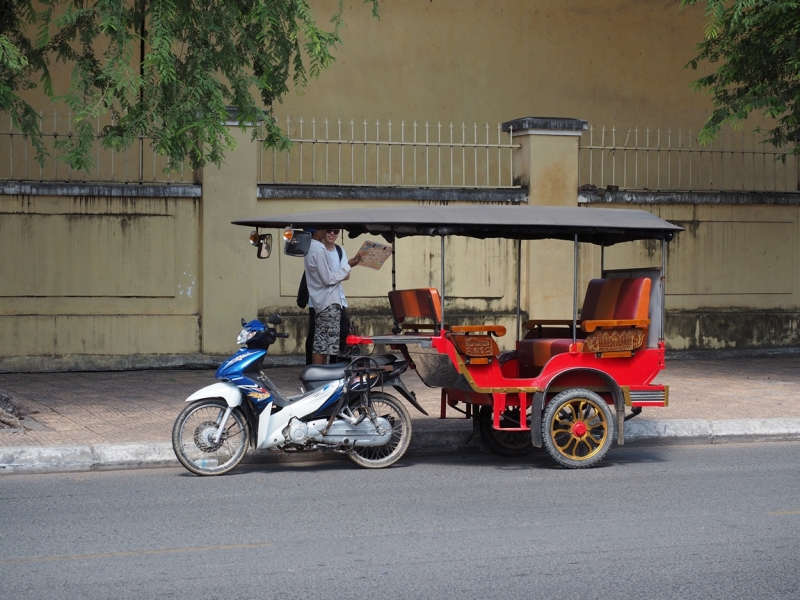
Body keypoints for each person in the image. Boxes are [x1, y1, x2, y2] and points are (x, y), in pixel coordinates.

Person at [304, 228, 361, 364]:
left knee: (324, 344)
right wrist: (348, 266)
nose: (329, 233)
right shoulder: (318, 250)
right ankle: (318, 375)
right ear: (317, 233)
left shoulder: (311, 248)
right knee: (321, 345)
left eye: (335, 231)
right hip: (328, 301)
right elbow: (328, 279)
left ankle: (321, 374)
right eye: (325, 229)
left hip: (323, 301)